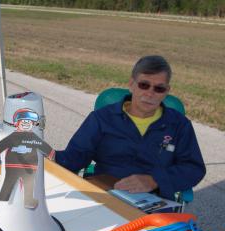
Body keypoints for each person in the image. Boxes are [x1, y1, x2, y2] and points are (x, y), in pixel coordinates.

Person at [55, 55, 205, 201]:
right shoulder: (102, 118)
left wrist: (154, 180)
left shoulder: (179, 125)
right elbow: (76, 156)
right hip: (105, 195)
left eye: (159, 88)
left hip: (155, 200)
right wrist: (47, 156)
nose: (150, 93)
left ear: (166, 91)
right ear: (131, 84)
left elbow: (193, 168)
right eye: (144, 85)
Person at [0, 108, 55, 209]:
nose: (26, 123)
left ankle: (28, 200)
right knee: (9, 180)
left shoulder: (33, 137)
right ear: (17, 123)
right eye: (24, 121)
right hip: (12, 165)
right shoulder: (13, 136)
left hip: (29, 167)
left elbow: (42, 145)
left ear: (33, 124)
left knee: (28, 183)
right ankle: (4, 195)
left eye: (29, 122)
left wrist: (51, 153)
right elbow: (3, 143)